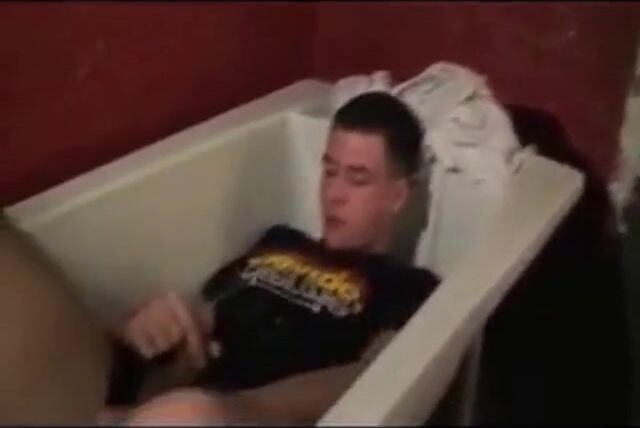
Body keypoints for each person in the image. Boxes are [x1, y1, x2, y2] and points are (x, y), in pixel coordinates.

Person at [102, 91, 440, 425]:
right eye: (330, 171)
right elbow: (203, 326)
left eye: (357, 179)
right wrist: (162, 329)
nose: (334, 194)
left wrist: (243, 411)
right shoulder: (280, 241)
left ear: (397, 195)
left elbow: (372, 378)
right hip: (176, 406)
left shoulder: (408, 286)